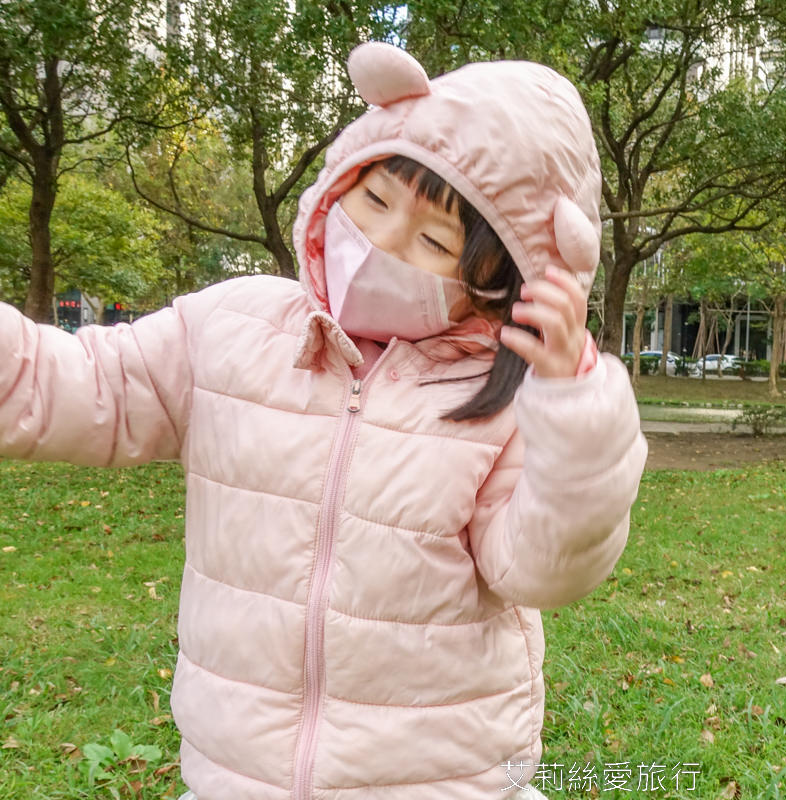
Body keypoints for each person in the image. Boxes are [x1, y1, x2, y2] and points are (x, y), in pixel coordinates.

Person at [0, 43, 647, 800]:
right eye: (374, 200)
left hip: (441, 779)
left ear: (501, 278)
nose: (381, 244)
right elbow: (73, 385)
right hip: (241, 776)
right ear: (341, 179)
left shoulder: (503, 404)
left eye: (434, 242)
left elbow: (545, 569)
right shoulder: (230, 330)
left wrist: (575, 410)